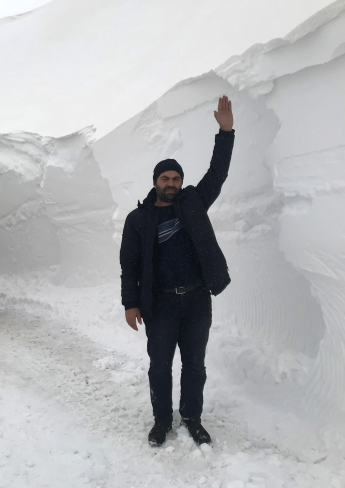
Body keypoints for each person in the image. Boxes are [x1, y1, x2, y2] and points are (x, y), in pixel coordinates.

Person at [120, 96, 235, 447]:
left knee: (195, 366)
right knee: (159, 367)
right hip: (160, 304)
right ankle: (161, 421)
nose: (171, 182)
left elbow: (217, 173)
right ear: (155, 181)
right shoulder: (138, 219)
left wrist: (225, 132)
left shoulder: (193, 203)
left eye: (176, 178)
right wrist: (130, 303)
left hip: (197, 299)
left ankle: (192, 418)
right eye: (165, 177)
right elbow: (129, 264)